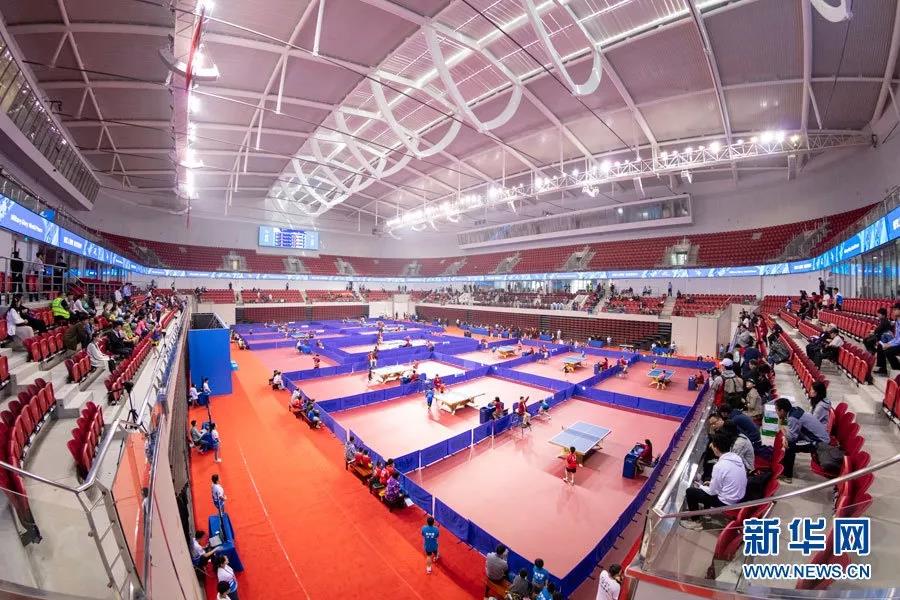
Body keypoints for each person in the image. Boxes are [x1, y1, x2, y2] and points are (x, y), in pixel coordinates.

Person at [681, 434, 747, 530]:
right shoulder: (737, 458)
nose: (711, 446)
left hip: (726, 502)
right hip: (739, 496)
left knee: (691, 492)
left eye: (712, 445)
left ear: (716, 448)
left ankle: (695, 522)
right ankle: (706, 512)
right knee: (708, 482)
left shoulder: (719, 466)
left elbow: (712, 492)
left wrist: (700, 486)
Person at [775, 397, 830, 483]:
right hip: (817, 437)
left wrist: (783, 435)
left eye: (776, 410)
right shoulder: (795, 410)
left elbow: (791, 437)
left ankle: (787, 476)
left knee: (790, 446)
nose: (776, 412)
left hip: (819, 443)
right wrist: (785, 434)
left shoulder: (793, 418)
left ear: (782, 411)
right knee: (789, 442)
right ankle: (785, 463)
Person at [874, 302, 900, 376]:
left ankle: (897, 370)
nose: (893, 311)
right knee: (881, 346)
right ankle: (883, 369)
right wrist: (889, 343)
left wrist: (890, 345)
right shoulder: (897, 321)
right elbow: (897, 338)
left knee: (889, 351)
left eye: (895, 309)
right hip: (897, 342)